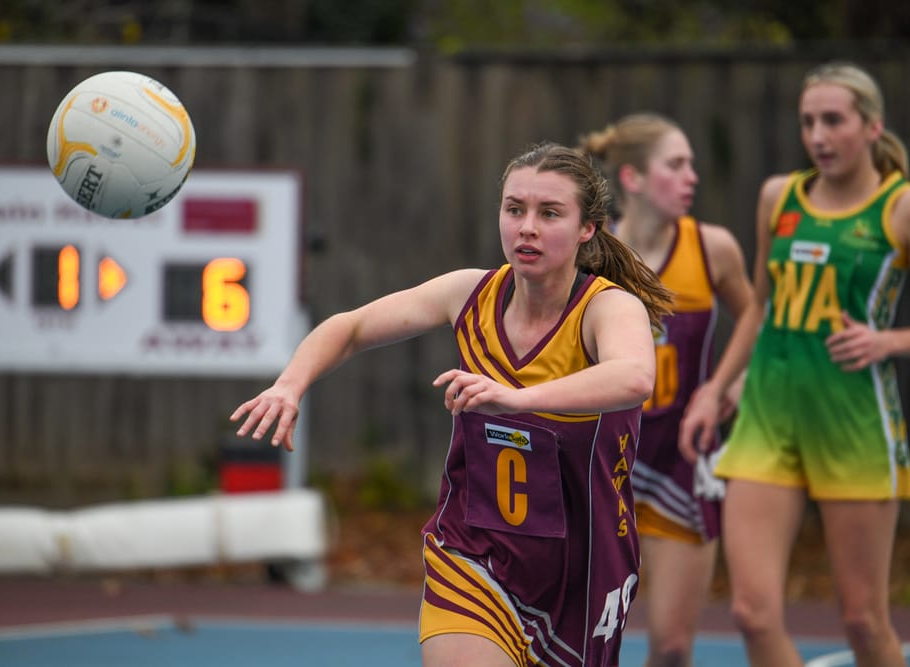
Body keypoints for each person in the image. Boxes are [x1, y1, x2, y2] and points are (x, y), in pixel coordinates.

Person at [230, 142, 674, 667]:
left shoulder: (606, 307)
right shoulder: (469, 293)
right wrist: (290, 383)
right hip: (473, 556)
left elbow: (635, 376)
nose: (526, 227)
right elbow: (350, 328)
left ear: (587, 229)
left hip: (581, 569)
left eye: (549, 213)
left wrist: (519, 399)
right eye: (515, 209)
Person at [678, 62, 910, 667]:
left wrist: (888, 342)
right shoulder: (777, 197)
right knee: (751, 615)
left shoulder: (908, 212)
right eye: (808, 122)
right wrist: (715, 389)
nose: (818, 135)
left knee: (864, 622)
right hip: (768, 415)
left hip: (854, 422)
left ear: (870, 127)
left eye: (833, 120)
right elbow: (759, 305)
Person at [580, 114, 754, 667]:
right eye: (676, 165)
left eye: (692, 165)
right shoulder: (591, 253)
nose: (691, 177)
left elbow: (758, 319)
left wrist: (728, 384)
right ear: (632, 178)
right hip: (604, 460)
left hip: (680, 461)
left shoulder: (712, 248)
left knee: (674, 647)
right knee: (583, 642)